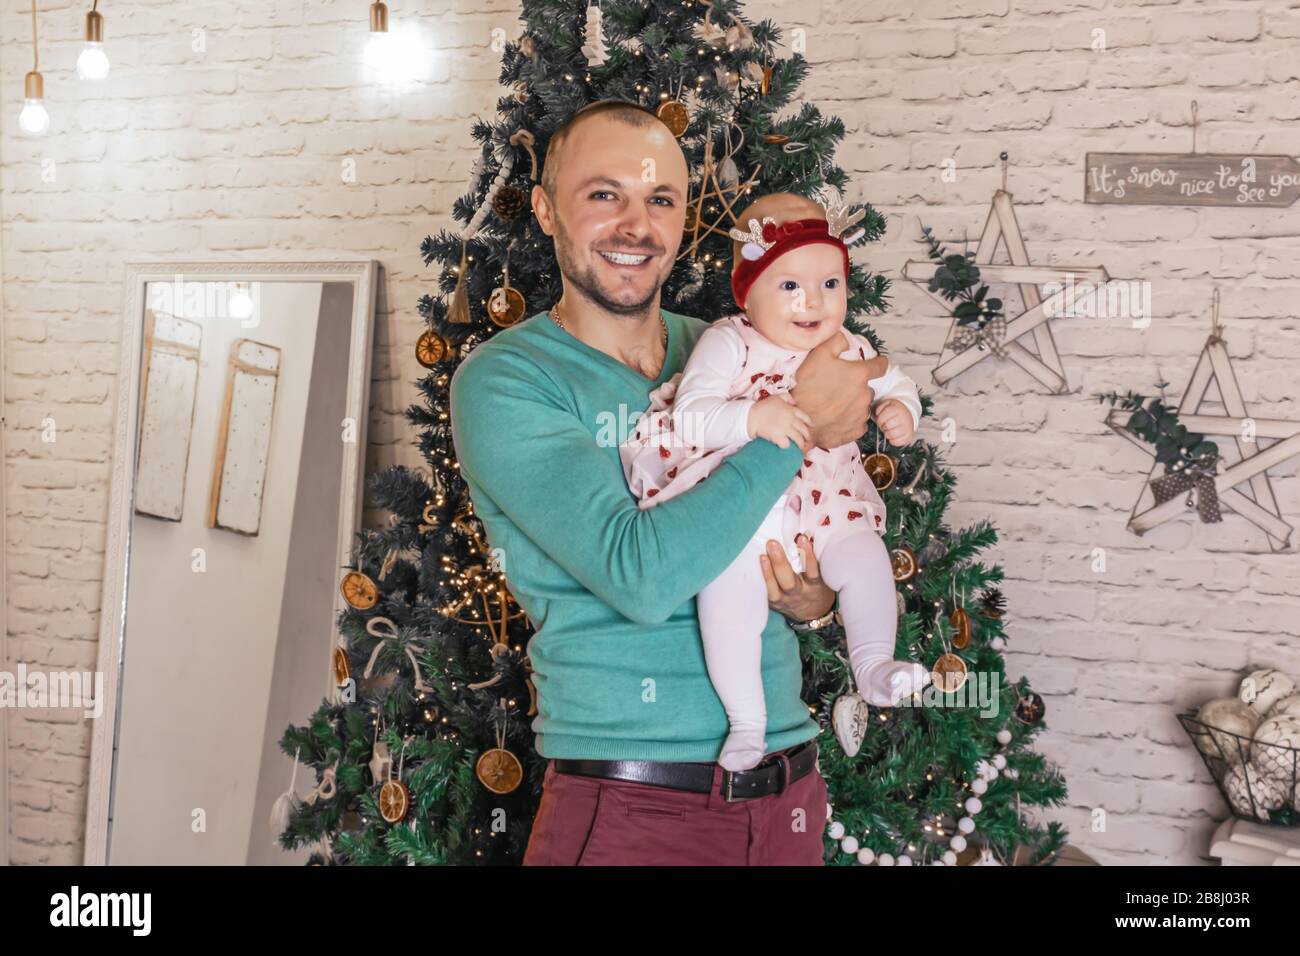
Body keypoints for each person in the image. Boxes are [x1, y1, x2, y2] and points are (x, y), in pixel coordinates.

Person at [449, 99, 886, 865]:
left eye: (659, 199)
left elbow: (800, 518)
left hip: (789, 789)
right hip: (636, 809)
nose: (635, 224)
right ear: (548, 212)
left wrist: (812, 598)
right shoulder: (507, 381)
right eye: (603, 194)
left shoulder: (730, 346)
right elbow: (641, 575)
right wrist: (795, 426)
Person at [618, 190, 932, 772]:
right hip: (746, 512)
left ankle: (874, 665)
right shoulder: (729, 342)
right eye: (789, 285)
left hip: (826, 506)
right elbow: (691, 414)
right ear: (748, 291)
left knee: (864, 557)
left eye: (830, 284)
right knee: (728, 594)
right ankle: (747, 721)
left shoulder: (848, 347)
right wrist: (753, 416)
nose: (813, 301)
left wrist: (901, 412)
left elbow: (894, 381)